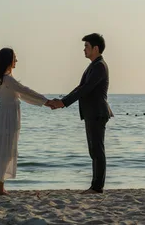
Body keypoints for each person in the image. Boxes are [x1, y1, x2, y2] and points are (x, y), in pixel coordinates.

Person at [48, 33, 113, 194]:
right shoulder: (93, 65)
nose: (84, 49)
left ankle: (97, 187)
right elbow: (80, 87)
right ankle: (95, 186)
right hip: (92, 113)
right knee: (94, 150)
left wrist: (63, 103)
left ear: (95, 48)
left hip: (97, 112)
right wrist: (63, 101)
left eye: (86, 46)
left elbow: (85, 89)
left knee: (97, 150)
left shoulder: (99, 66)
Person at [0, 47, 52, 196]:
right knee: (6, 150)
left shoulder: (4, 79)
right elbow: (25, 90)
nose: (16, 60)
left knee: (5, 149)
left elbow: (23, 95)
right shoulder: (8, 79)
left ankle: (0, 186)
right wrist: (47, 101)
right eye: (14, 58)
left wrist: (44, 102)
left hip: (6, 117)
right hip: (8, 119)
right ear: (8, 61)